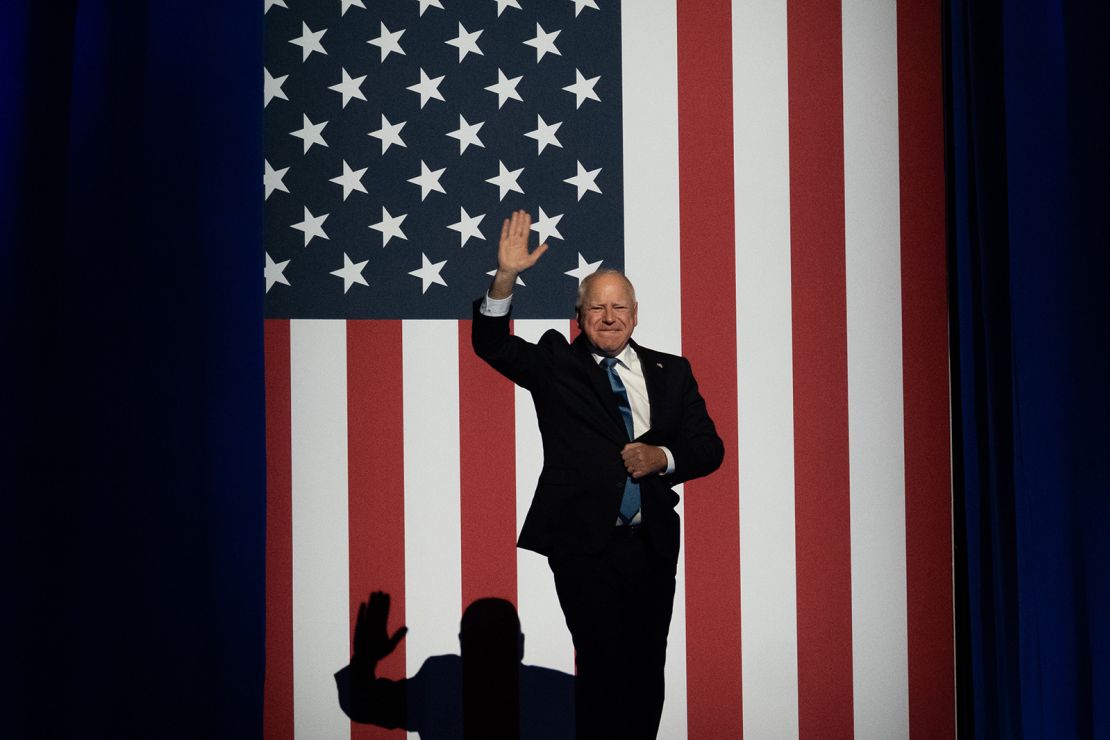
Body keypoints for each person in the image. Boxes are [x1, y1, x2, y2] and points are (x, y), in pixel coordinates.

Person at [471, 211, 725, 739]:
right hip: (583, 544)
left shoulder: (671, 370)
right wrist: (505, 278)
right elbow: (491, 345)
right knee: (605, 668)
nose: (609, 317)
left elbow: (708, 448)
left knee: (644, 672)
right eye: (597, 307)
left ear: (635, 315)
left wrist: (662, 458)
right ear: (579, 315)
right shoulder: (555, 363)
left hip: (650, 543)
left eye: (619, 307)